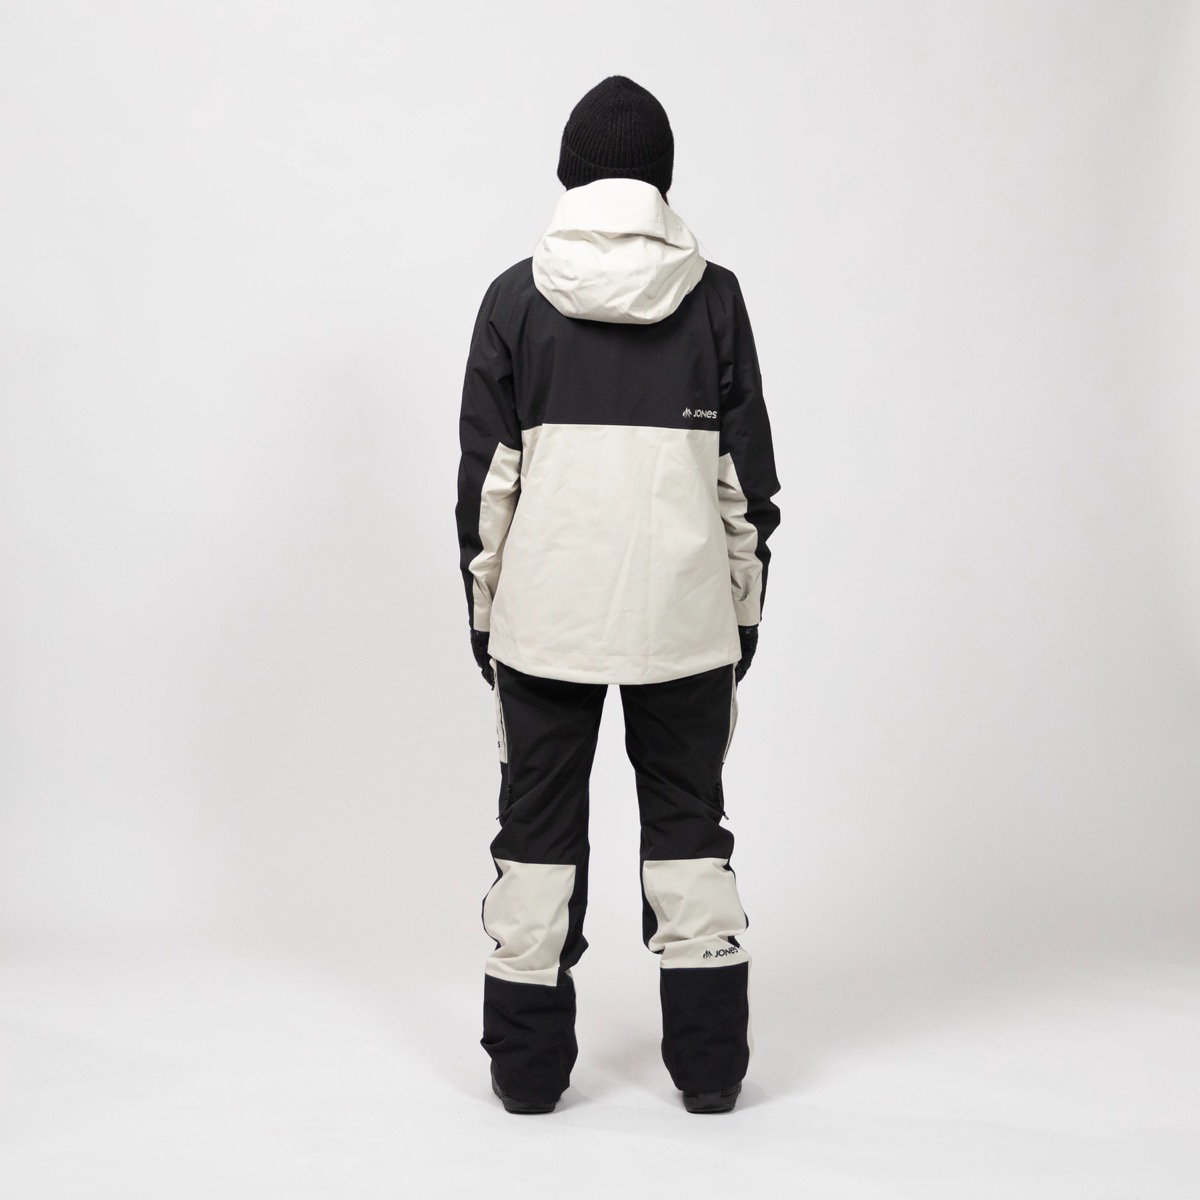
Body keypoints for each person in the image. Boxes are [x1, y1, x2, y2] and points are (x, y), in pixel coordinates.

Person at [454, 74, 782, 1115]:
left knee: (535, 836)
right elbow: (744, 486)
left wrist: (485, 617)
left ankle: (525, 1073)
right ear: (661, 179)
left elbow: (488, 488)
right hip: (682, 619)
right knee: (689, 829)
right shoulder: (714, 296)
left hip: (544, 620)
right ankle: (711, 1072)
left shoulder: (514, 298)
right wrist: (741, 612)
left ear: (570, 173)